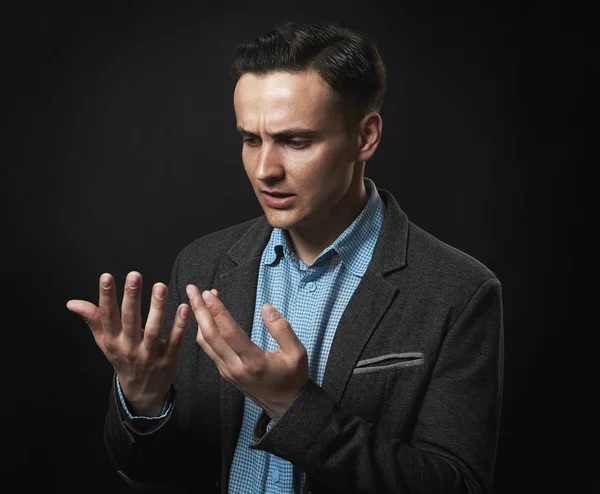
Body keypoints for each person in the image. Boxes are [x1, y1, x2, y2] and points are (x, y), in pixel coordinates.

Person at [67, 21, 504, 494]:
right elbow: (155, 473)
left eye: (295, 141)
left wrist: (294, 406)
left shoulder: (458, 292)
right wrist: (144, 399)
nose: (263, 171)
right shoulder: (203, 265)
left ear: (366, 137)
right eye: (250, 140)